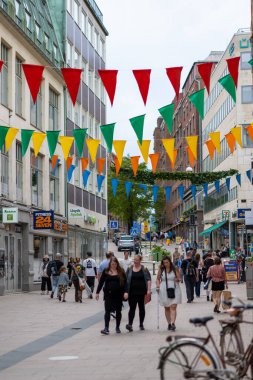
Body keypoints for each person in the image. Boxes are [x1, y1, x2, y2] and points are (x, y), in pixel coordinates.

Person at [96, 257, 127, 335]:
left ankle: (117, 327)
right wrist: (97, 292)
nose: (114, 265)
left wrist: (126, 292)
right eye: (112, 264)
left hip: (118, 295)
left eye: (115, 264)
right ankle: (106, 328)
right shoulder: (106, 271)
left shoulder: (121, 271)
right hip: (108, 294)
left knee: (118, 311)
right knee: (107, 311)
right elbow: (101, 282)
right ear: (110, 264)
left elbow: (126, 283)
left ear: (117, 264)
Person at [125, 255, 151, 332]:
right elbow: (126, 280)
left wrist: (148, 290)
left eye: (137, 260)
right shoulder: (129, 268)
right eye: (134, 259)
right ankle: (130, 324)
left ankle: (141, 324)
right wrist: (125, 291)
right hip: (132, 292)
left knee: (141, 308)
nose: (135, 261)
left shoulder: (144, 269)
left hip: (142, 292)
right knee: (132, 308)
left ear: (140, 260)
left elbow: (148, 279)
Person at [156, 255, 181, 331]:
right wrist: (157, 285)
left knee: (173, 306)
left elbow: (179, 278)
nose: (166, 264)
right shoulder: (161, 269)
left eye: (167, 262)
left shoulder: (175, 268)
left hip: (174, 288)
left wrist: (177, 279)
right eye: (164, 263)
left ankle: (173, 323)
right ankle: (169, 323)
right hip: (164, 288)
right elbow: (157, 279)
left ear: (170, 261)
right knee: (167, 307)